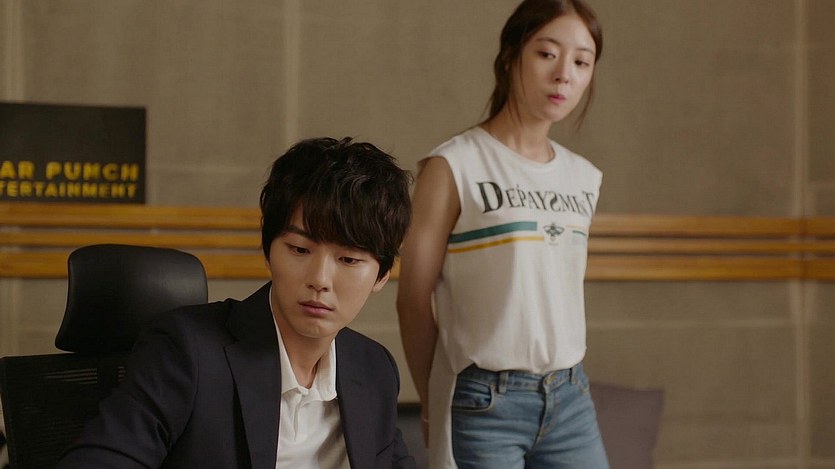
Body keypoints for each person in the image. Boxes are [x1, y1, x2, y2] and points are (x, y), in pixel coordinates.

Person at [58, 137, 417, 468]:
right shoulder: (187, 353)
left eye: (349, 259)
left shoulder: (374, 368)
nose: (320, 280)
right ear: (268, 252)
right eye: (299, 249)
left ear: (382, 275)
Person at [396, 0, 608, 467]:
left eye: (581, 61)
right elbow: (412, 299)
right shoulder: (454, 165)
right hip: (485, 402)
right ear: (511, 56)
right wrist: (432, 402)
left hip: (571, 396)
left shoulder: (584, 177)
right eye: (547, 53)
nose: (564, 75)